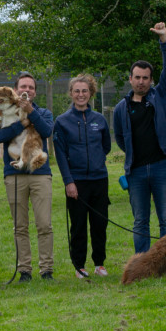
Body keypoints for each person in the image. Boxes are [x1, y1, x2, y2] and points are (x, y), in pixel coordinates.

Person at [112, 22, 166, 254]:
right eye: (137, 77)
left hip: (163, 167)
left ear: (151, 80)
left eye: (146, 77)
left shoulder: (160, 96)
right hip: (137, 171)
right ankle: (142, 263)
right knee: (140, 222)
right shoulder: (121, 108)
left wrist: (164, 40)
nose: (141, 81)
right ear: (130, 79)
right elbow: (121, 139)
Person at [0, 72, 55, 282]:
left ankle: (46, 269)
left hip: (40, 174)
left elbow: (47, 131)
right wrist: (22, 123)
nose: (26, 90)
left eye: (30, 87)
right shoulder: (6, 113)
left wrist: (31, 114)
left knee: (44, 224)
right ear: (16, 90)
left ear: (35, 92)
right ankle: (24, 271)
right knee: (20, 226)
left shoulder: (43, 112)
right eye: (22, 87)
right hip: (14, 176)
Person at [53, 74, 112, 279]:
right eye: (77, 91)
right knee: (78, 226)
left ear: (91, 93)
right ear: (71, 93)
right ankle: (79, 266)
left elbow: (106, 146)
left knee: (99, 224)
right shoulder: (62, 121)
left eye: (84, 91)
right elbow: (60, 155)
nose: (81, 95)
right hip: (76, 181)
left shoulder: (100, 120)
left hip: (99, 180)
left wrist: (95, 163)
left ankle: (99, 263)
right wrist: (69, 181)